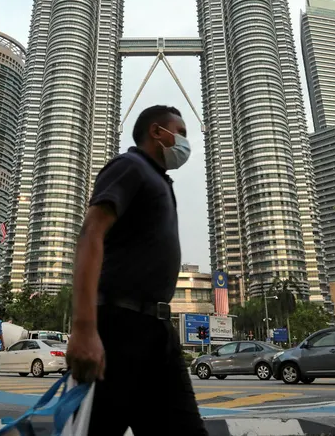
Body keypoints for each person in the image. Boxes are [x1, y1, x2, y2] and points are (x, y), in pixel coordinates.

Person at [66, 105, 207, 435]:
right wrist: (85, 328)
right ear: (157, 132)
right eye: (180, 132)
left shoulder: (160, 181)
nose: (185, 142)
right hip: (118, 329)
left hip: (158, 331)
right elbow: (91, 233)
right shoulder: (130, 166)